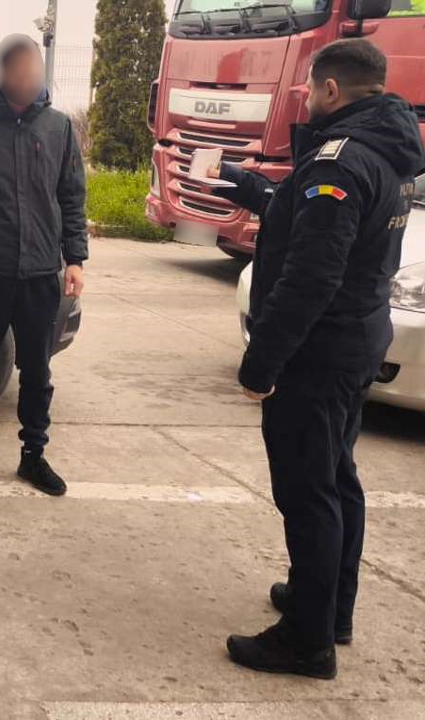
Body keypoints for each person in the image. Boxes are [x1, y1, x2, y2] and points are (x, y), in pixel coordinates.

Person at [209, 39, 425, 679]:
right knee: (336, 478)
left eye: (308, 87)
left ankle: (306, 642)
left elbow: (311, 277)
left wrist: (262, 362)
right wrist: (249, 184)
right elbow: (310, 221)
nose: (304, 96)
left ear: (331, 89)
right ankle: (329, 607)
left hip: (319, 352)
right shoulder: (383, 151)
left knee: (308, 492)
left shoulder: (341, 161)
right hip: (357, 340)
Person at [0, 34, 88, 495]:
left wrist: (75, 258)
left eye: (33, 70)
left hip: (41, 273)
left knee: (37, 371)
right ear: (2, 73)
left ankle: (33, 455)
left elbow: (71, 196)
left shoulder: (58, 128)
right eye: (18, 71)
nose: (27, 79)